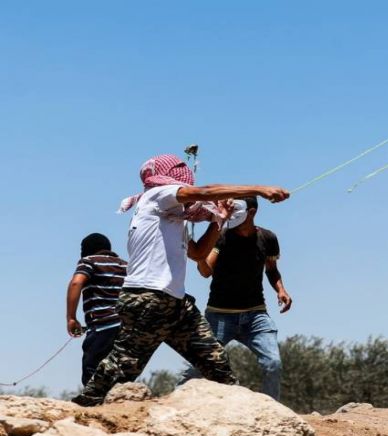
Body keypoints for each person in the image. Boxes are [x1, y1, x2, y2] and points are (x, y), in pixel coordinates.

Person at [71, 154, 289, 406]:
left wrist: (219, 220)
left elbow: (197, 253)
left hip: (175, 303)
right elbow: (205, 191)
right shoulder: (157, 196)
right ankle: (84, 407)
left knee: (214, 360)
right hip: (148, 298)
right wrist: (259, 190)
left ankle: (239, 414)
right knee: (123, 364)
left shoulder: (172, 218)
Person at [184, 196, 291, 399]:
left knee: (273, 363)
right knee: (198, 366)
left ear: (251, 212)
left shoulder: (268, 238)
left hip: (256, 316)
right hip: (220, 316)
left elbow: (271, 270)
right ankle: (175, 403)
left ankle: (272, 410)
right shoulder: (221, 236)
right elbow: (206, 271)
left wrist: (281, 290)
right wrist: (199, 258)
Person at [66, 233, 128, 385]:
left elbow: (76, 283)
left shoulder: (88, 261)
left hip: (102, 326)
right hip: (126, 327)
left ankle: (93, 405)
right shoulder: (125, 265)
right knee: (120, 372)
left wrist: (71, 318)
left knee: (92, 369)